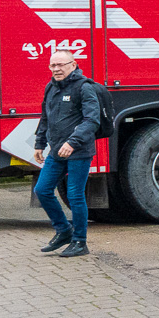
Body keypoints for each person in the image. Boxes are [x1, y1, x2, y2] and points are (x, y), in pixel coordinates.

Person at [32, 48, 102, 257]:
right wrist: (39, 143)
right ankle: (64, 231)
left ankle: (80, 242)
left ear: (73, 64)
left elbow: (92, 120)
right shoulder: (51, 88)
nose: (56, 69)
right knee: (42, 190)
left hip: (79, 150)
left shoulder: (84, 87)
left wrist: (73, 142)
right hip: (56, 151)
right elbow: (46, 117)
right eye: (53, 65)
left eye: (61, 65)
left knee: (74, 196)